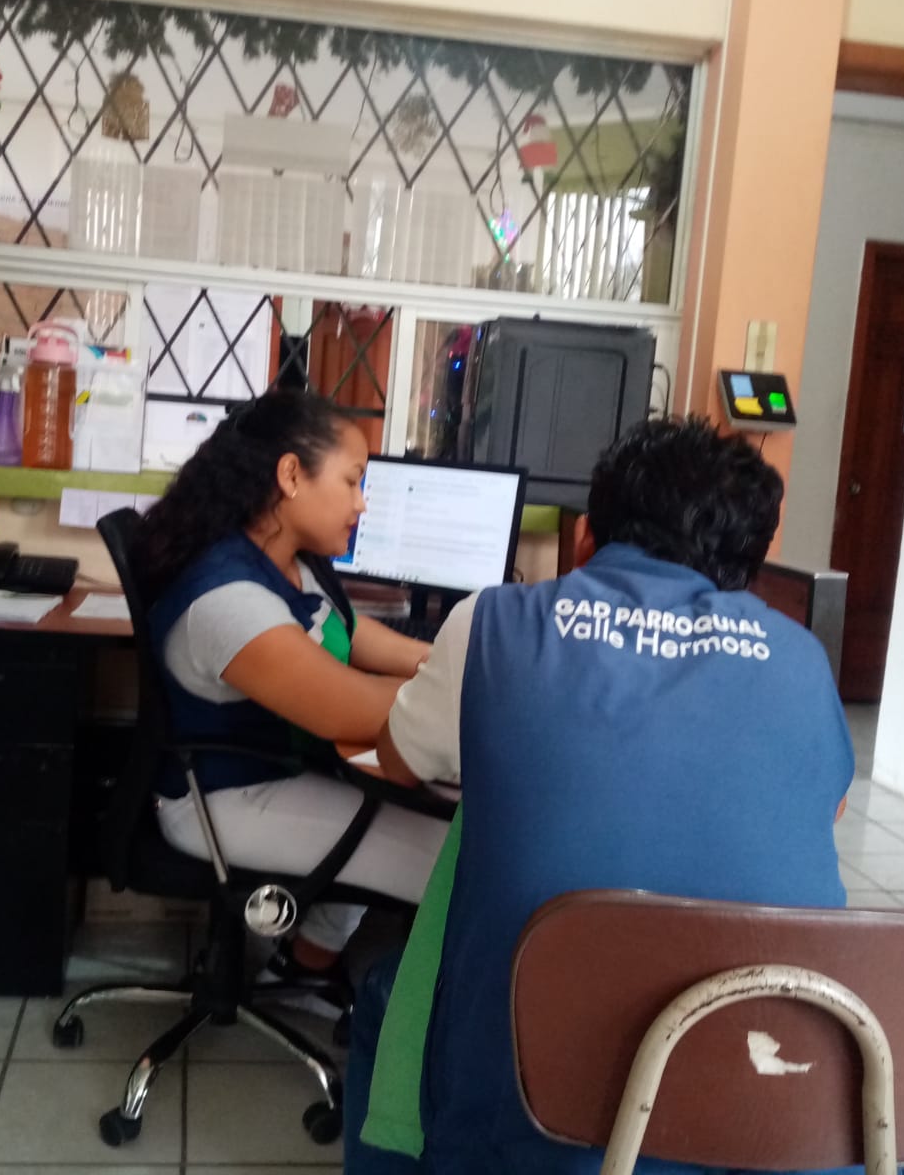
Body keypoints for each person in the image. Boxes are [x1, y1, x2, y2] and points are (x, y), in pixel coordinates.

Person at [345, 418, 854, 1174]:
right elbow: (826, 808)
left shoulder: (491, 622)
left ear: (586, 536)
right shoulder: (802, 657)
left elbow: (398, 759)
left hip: (535, 1086)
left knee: (390, 993)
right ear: (752, 559)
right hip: (768, 1095)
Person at [134, 390, 450, 999]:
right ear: (290, 475)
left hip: (282, 767)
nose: (361, 502)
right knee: (457, 862)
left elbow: (347, 633)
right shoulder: (230, 600)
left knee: (428, 812)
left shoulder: (284, 559)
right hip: (227, 799)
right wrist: (475, 691)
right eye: (353, 481)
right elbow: (348, 707)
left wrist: (440, 659)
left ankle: (304, 962)